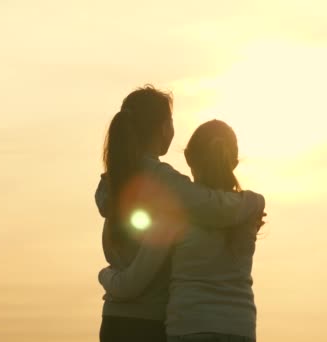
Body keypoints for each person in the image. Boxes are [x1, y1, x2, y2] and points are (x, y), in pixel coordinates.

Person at [96, 86, 265, 342]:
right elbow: (212, 207)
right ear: (164, 128)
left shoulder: (115, 180)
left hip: (115, 320)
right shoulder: (163, 181)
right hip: (148, 322)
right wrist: (253, 202)